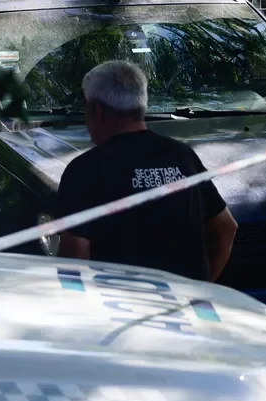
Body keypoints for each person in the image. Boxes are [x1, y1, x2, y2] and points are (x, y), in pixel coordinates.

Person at [56, 60, 238, 282]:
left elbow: (76, 254)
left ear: (97, 111)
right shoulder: (182, 156)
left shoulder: (84, 170)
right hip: (185, 309)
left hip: (123, 309)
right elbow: (226, 226)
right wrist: (203, 285)